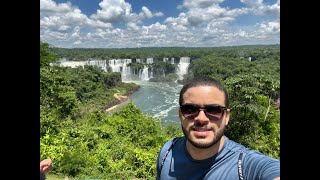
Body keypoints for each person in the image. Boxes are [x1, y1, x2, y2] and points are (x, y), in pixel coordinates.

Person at [156, 76, 280, 180]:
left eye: (213, 110)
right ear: (180, 114)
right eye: (190, 109)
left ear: (226, 117)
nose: (201, 118)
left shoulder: (244, 165)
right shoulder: (168, 152)